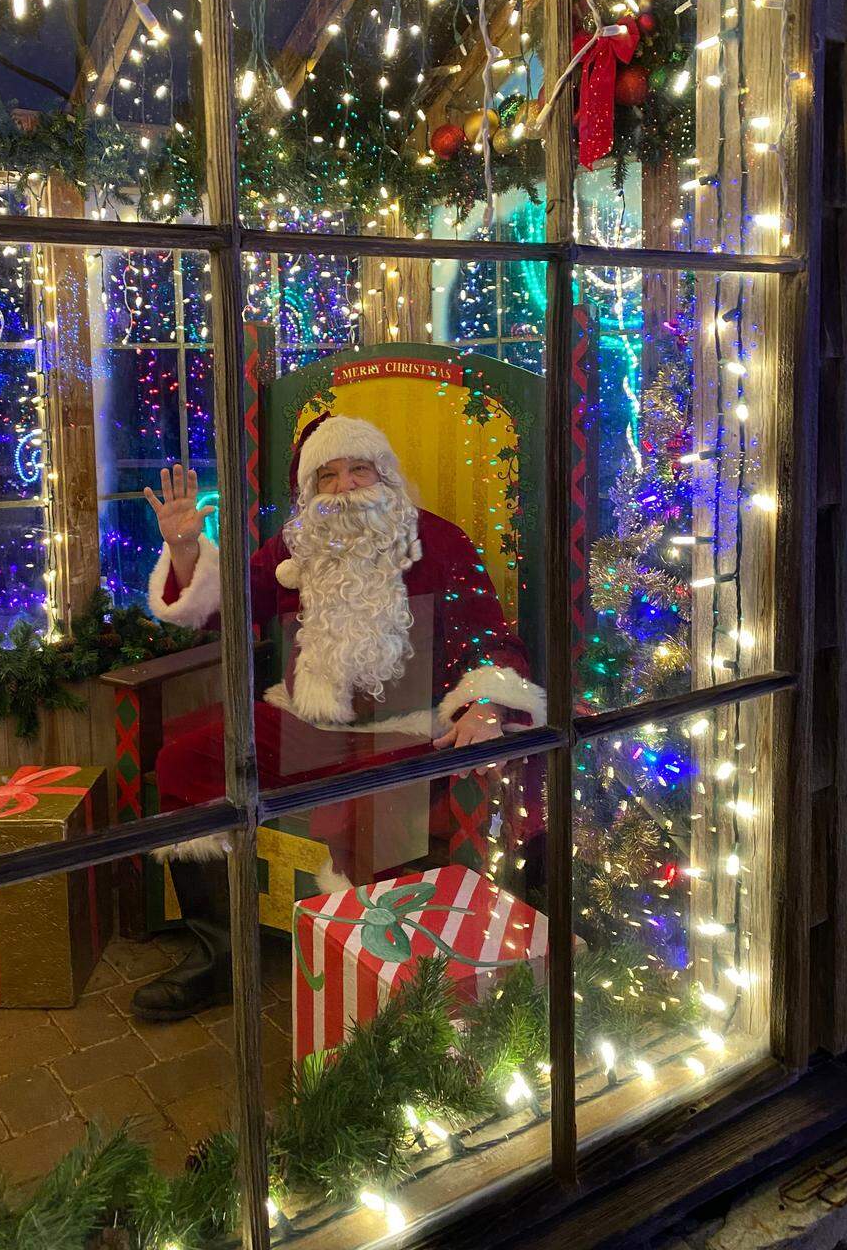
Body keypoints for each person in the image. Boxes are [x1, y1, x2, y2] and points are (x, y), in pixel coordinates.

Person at [133, 414, 544, 1020]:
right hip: (306, 722)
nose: (345, 486)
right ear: (310, 490)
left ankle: (387, 984)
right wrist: (186, 548)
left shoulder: (439, 542)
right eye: (326, 476)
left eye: (358, 470)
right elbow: (227, 607)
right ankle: (219, 957)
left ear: (385, 474)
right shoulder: (294, 547)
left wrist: (485, 702)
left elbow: (491, 639)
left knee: (362, 806)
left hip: (403, 732)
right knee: (186, 761)